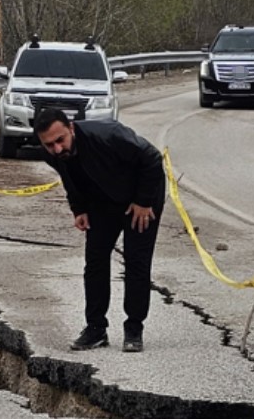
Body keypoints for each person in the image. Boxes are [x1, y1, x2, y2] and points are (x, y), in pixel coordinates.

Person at [33, 108, 165, 352]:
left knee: (136, 260)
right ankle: (96, 328)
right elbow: (69, 177)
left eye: (60, 140)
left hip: (141, 197)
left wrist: (144, 201)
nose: (57, 149)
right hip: (102, 201)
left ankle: (134, 328)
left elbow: (153, 159)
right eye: (50, 145)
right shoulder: (51, 153)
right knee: (95, 261)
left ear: (71, 128)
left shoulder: (109, 135)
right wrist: (78, 209)